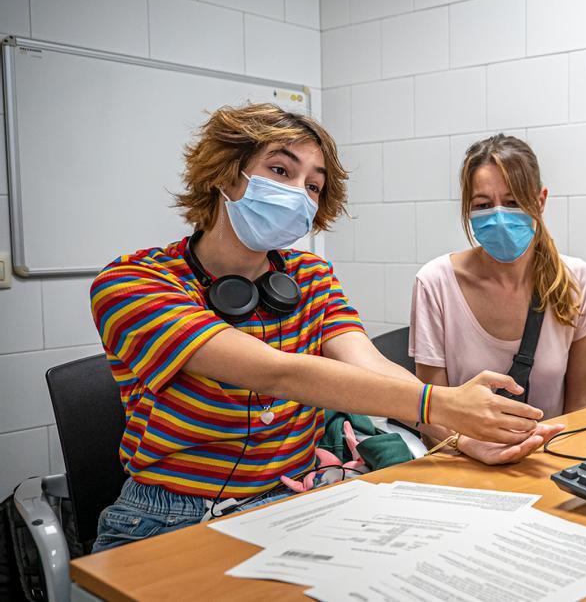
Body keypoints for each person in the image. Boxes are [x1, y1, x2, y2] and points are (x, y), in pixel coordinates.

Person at [90, 104, 553, 552]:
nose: (298, 193)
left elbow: (365, 361)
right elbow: (279, 373)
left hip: (297, 495)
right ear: (226, 173)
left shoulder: (309, 276)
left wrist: (456, 433)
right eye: (280, 171)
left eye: (313, 185)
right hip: (171, 515)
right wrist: (443, 403)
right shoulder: (133, 283)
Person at [409, 134, 586, 430]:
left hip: (549, 459)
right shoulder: (435, 284)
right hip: (464, 461)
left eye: (513, 201)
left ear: (540, 201)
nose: (500, 217)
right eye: (484, 204)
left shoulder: (578, 282)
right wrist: (471, 450)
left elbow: (580, 406)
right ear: (468, 208)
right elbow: (432, 418)